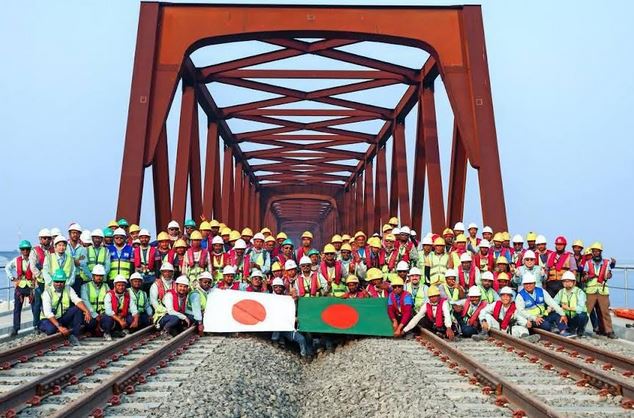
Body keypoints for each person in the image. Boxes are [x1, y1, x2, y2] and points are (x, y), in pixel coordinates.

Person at [39, 269, 92, 345]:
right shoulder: (47, 292)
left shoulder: (68, 288)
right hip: (48, 319)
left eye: (61, 282)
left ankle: (74, 334)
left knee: (78, 309)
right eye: (56, 281)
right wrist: (59, 326)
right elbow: (48, 313)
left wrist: (87, 311)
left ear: (65, 282)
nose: (58, 284)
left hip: (61, 316)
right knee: (51, 329)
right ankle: (43, 328)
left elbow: (77, 300)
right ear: (53, 281)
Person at [270, 278, 312, 360]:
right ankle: (275, 340)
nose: (278, 289)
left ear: (283, 288)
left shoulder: (288, 299)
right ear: (273, 288)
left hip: (288, 327)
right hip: (276, 327)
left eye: (280, 287)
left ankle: (304, 355)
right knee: (277, 323)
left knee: (302, 339)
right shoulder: (270, 298)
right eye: (276, 287)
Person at [583, 242, 616, 338]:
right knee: (586, 311)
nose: (596, 253)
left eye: (597, 251)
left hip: (603, 290)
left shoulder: (607, 263)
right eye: (594, 251)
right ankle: (581, 329)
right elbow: (584, 277)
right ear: (592, 252)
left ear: (600, 252)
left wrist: (609, 275)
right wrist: (587, 277)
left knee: (604, 311)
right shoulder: (587, 263)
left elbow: (609, 274)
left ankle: (608, 331)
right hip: (591, 290)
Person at [5, 240, 38, 337]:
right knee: (17, 309)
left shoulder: (34, 259)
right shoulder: (16, 260)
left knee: (35, 308)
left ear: (30, 250)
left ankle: (36, 326)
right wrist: (12, 278)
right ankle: (15, 328)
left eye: (27, 249)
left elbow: (40, 268)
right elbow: (7, 267)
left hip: (31, 286)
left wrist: (37, 278)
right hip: (20, 286)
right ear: (20, 250)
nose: (25, 251)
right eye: (23, 249)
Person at [554, 271, 588, 337]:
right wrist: (557, 308)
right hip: (566, 317)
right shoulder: (561, 292)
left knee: (582, 315)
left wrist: (568, 308)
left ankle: (580, 330)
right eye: (564, 281)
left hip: (576, 317)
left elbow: (581, 308)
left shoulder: (579, 292)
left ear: (574, 282)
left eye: (569, 281)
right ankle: (568, 329)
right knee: (555, 313)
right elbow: (554, 303)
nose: (566, 283)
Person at [101, 275, 135, 340]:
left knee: (131, 318)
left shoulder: (127, 295)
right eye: (119, 285)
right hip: (112, 317)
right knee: (107, 320)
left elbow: (134, 309)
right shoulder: (109, 295)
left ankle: (123, 331)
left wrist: (135, 320)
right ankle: (107, 333)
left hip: (122, 317)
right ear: (115, 285)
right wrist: (119, 320)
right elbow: (109, 312)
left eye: (123, 285)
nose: (121, 287)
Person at [81, 265, 109, 335]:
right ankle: (91, 331)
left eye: (101, 276)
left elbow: (109, 301)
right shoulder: (85, 286)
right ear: (93, 276)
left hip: (102, 312)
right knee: (90, 323)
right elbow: (85, 301)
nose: (99, 278)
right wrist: (95, 314)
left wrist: (103, 313)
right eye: (97, 276)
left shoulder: (106, 286)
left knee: (108, 321)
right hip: (90, 313)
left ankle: (103, 331)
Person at [67, 223, 89, 294]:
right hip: (66, 277)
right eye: (73, 233)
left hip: (77, 278)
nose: (75, 235)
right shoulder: (64, 246)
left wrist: (71, 260)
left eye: (77, 233)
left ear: (80, 235)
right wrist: (77, 260)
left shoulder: (83, 249)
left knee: (77, 301)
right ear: (69, 234)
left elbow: (83, 263)